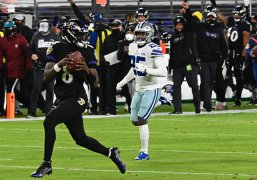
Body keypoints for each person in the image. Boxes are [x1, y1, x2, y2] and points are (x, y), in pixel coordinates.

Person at [30, 19, 126, 178]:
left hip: (78, 99)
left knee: (49, 121)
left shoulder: (87, 50)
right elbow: (46, 77)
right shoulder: (57, 47)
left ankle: (46, 164)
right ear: (69, 34)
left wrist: (87, 70)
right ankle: (111, 153)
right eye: (80, 35)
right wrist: (60, 64)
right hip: (62, 99)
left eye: (83, 35)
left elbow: (95, 84)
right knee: (80, 139)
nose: (83, 38)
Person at [116, 22, 167, 160]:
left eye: (143, 33)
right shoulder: (132, 47)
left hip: (152, 88)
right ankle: (159, 102)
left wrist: (147, 70)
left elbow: (163, 71)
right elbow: (134, 69)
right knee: (134, 120)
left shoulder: (154, 48)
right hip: (139, 89)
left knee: (142, 118)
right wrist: (122, 82)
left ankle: (144, 152)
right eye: (138, 33)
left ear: (149, 34)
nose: (139, 36)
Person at [27, 19, 61, 118]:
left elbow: (60, 49)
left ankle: (48, 111)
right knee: (36, 89)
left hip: (50, 67)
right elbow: (30, 48)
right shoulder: (36, 36)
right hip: (38, 66)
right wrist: (32, 54)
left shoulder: (55, 37)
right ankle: (32, 111)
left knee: (50, 90)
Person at [168, 14, 200, 114]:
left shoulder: (189, 32)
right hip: (177, 67)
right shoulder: (173, 38)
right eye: (177, 25)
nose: (179, 27)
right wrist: (170, 66)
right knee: (176, 87)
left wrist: (187, 11)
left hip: (189, 64)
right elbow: (172, 53)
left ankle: (198, 108)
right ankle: (177, 109)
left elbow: (190, 22)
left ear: (184, 25)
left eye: (181, 24)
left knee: (194, 86)